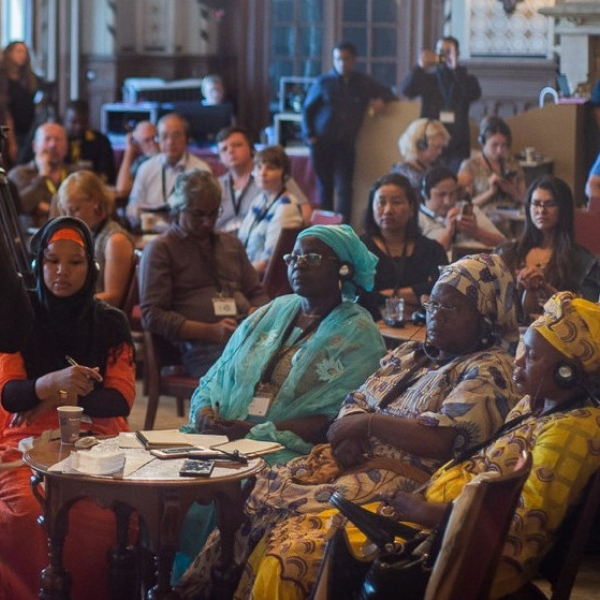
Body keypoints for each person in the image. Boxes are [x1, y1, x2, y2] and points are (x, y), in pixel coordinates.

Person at [176, 253, 521, 599]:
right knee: (247, 505)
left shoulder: (489, 369)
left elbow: (441, 439)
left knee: (288, 542)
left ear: (485, 318)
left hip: (399, 487)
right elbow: (354, 399)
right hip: (346, 466)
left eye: (451, 308)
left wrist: (367, 425)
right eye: (433, 304)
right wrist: (347, 432)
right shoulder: (409, 354)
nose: (435, 315)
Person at [351, 291, 600, 599]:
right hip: (445, 531)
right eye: (524, 349)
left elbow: (519, 525)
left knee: (330, 549)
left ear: (567, 373)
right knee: (334, 532)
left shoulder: (572, 431)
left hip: (471, 562)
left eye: (532, 356)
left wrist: (423, 510)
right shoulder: (533, 405)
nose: (518, 361)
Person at [173, 224, 386, 579]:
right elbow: (221, 370)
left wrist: (251, 431)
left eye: (312, 257)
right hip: (224, 435)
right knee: (170, 473)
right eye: (294, 256)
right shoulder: (274, 309)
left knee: (231, 485)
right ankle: (168, 576)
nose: (298, 264)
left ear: (343, 269)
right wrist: (207, 409)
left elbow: (332, 418)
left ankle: (213, 579)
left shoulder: (359, 332)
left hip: (288, 447)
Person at [0, 216, 136, 600]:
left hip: (97, 438)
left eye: (75, 262)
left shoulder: (111, 322)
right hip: (25, 437)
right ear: (37, 265)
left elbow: (119, 399)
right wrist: (57, 381)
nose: (62, 272)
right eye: (51, 261)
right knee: (24, 512)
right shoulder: (19, 316)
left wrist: (50, 394)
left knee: (108, 514)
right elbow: (11, 395)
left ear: (91, 267)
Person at [139, 169, 270, 379]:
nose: (208, 222)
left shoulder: (231, 244)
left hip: (246, 336)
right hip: (198, 347)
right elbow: (152, 315)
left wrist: (257, 311)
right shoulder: (161, 249)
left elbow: (257, 293)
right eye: (198, 214)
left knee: (294, 365)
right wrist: (209, 330)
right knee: (253, 376)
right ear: (177, 210)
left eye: (213, 213)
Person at [302, 41, 397, 223]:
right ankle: (326, 231)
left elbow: (389, 93)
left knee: (345, 188)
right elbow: (307, 110)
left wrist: (381, 100)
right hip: (322, 143)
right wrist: (310, 137)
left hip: (346, 143)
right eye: (338, 59)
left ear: (353, 60)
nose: (342, 63)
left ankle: (344, 229)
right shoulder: (323, 82)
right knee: (325, 187)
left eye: (346, 59)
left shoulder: (362, 82)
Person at [496, 175, 600, 322]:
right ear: (528, 207)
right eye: (536, 203)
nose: (541, 210)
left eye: (549, 204)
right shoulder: (505, 253)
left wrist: (545, 287)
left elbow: (590, 314)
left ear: (563, 209)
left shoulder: (584, 261)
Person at [358, 173, 448, 320]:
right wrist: (415, 294)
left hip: (420, 327)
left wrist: (386, 296)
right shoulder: (360, 248)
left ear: (412, 208)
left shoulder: (432, 249)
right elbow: (359, 296)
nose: (388, 210)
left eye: (396, 202)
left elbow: (443, 290)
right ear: (372, 207)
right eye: (381, 202)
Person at [401, 36, 482, 173]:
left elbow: (473, 94)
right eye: (440, 51)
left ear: (457, 53)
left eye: (448, 51)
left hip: (457, 142)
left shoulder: (466, 79)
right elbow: (407, 91)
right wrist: (421, 67)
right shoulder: (428, 79)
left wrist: (456, 68)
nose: (443, 56)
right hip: (429, 142)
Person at [57, 170, 135, 307]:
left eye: (75, 209)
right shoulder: (84, 234)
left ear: (96, 203)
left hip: (102, 319)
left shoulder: (115, 240)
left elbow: (114, 297)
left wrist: (68, 304)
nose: (69, 217)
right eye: (65, 211)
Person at [214, 126, 311, 234]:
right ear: (219, 157)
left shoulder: (274, 177)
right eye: (224, 149)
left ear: (251, 149)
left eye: (237, 145)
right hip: (224, 243)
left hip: (264, 240)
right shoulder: (216, 185)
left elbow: (304, 210)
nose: (230, 151)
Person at [126, 112, 211, 228]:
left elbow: (207, 212)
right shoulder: (146, 168)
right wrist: (135, 213)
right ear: (158, 140)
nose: (170, 142)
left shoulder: (201, 170)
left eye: (176, 136)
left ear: (186, 138)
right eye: (164, 136)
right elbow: (133, 204)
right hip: (150, 233)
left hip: (187, 235)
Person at [237, 145, 304, 276]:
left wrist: (234, 274)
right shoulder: (260, 199)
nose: (262, 173)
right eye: (258, 167)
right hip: (248, 270)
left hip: (263, 280)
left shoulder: (286, 206)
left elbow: (268, 264)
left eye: (271, 168)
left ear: (284, 174)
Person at [458, 115, 526, 236]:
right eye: (494, 145)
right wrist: (490, 192)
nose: (499, 150)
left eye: (504, 145)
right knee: (500, 223)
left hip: (513, 215)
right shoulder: (470, 166)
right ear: (483, 142)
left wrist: (511, 190)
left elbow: (525, 199)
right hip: (484, 217)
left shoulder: (512, 164)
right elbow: (464, 206)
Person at [418, 165, 506, 255]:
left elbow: (503, 243)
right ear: (425, 194)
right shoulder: (418, 219)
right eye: (441, 195)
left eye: (452, 193)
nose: (448, 201)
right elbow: (427, 258)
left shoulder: (467, 209)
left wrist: (476, 231)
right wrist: (449, 232)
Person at [8, 122, 70, 228]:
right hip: (32, 238)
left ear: (66, 147)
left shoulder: (73, 174)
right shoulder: (19, 174)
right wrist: (42, 176)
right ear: (34, 146)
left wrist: (45, 207)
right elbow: (21, 207)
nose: (53, 144)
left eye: (58, 139)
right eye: (47, 139)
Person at [0, 41, 40, 164]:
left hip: (29, 127)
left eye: (24, 52)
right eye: (18, 51)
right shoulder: (3, 80)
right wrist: (11, 141)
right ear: (9, 54)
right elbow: (6, 111)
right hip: (11, 129)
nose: (22, 55)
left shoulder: (29, 78)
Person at [63, 99, 116, 184]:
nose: (78, 127)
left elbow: (107, 174)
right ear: (65, 120)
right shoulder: (58, 141)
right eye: (74, 122)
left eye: (83, 122)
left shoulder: (100, 141)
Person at [392, 118, 450, 194]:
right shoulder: (404, 172)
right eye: (437, 147)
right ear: (421, 145)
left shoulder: (436, 166)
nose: (440, 152)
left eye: (441, 147)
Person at [114, 120, 158, 199]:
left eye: (155, 137)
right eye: (147, 141)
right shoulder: (141, 162)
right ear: (138, 145)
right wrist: (129, 152)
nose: (153, 143)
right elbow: (122, 189)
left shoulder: (169, 158)